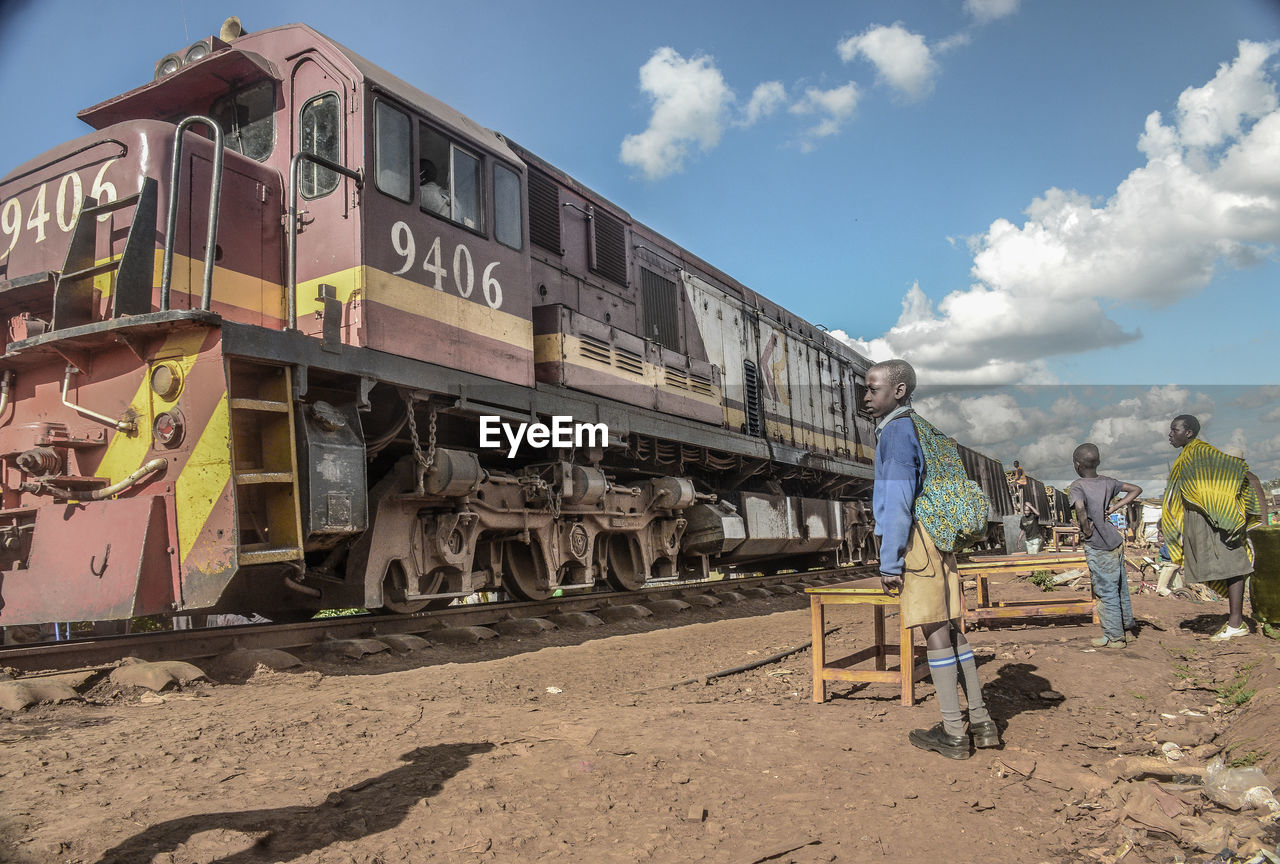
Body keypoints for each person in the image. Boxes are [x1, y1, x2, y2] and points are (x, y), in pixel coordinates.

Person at [864, 358, 999, 760]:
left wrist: (890, 562)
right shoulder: (922, 428)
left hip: (917, 542)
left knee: (934, 631)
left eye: (873, 388)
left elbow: (897, 500)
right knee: (952, 629)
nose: (866, 396)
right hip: (940, 541)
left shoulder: (896, 433)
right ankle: (981, 721)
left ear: (899, 391)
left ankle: (954, 732)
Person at [1161, 414, 1267, 641]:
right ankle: (1235, 621)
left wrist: (1224, 513)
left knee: (1233, 567)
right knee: (1226, 568)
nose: (1170, 434)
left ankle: (1236, 624)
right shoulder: (1188, 455)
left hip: (1218, 522)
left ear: (1188, 432)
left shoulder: (1201, 452)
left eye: (1174, 430)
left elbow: (1236, 470)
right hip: (1206, 523)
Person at [1068, 443, 1143, 648]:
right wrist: (1116, 506)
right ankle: (1126, 624)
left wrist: (1087, 530)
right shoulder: (1109, 482)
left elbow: (1080, 509)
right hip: (1114, 539)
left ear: (1076, 464)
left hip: (1098, 544)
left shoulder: (1077, 486)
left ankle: (1115, 637)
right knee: (1120, 587)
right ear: (1098, 462)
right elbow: (1136, 489)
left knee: (1105, 590)